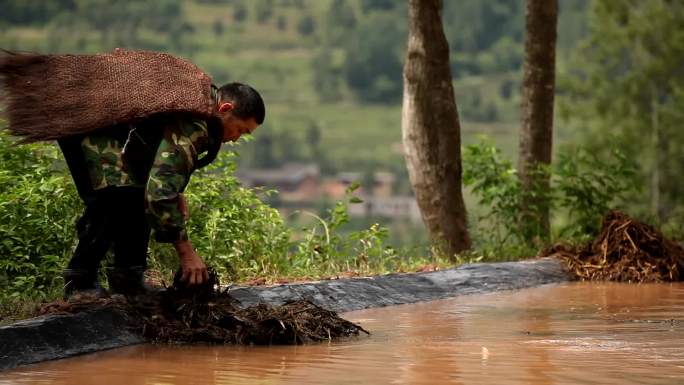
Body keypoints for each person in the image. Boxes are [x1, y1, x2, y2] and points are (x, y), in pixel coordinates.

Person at [58, 82, 265, 297]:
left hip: (112, 132)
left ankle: (128, 280)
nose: (235, 138)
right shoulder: (197, 121)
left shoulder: (202, 109)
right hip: (92, 126)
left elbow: (164, 161)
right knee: (115, 197)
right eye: (241, 129)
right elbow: (159, 194)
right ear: (225, 109)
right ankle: (79, 282)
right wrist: (186, 253)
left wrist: (177, 192)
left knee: (135, 194)